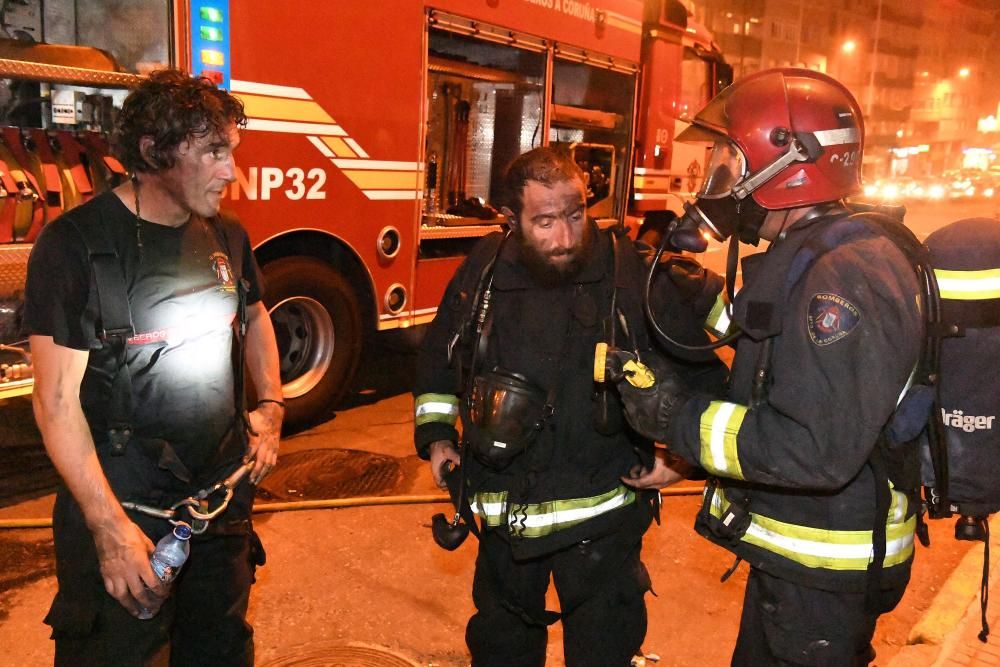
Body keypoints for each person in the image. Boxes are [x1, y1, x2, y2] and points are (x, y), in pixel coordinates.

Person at [615, 68, 925, 666]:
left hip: (823, 575)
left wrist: (679, 419)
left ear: (787, 162)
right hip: (801, 563)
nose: (711, 181)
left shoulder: (844, 278)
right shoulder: (819, 251)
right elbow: (778, 345)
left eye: (725, 161)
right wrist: (705, 292)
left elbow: (812, 445)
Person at [413, 146, 726, 666]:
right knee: (501, 652)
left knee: (604, 652)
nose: (564, 238)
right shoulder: (483, 273)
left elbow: (705, 377)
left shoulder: (630, 275)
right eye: (545, 221)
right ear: (511, 219)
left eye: (576, 214)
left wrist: (681, 460)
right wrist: (439, 437)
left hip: (603, 526)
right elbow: (441, 363)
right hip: (502, 524)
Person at [23, 69, 282, 666]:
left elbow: (257, 316)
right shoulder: (76, 246)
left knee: (219, 651)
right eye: (214, 152)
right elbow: (55, 402)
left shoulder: (227, 235)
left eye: (231, 152)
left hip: (219, 504)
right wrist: (108, 531)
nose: (231, 171)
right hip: (129, 512)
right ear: (152, 152)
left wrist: (270, 406)